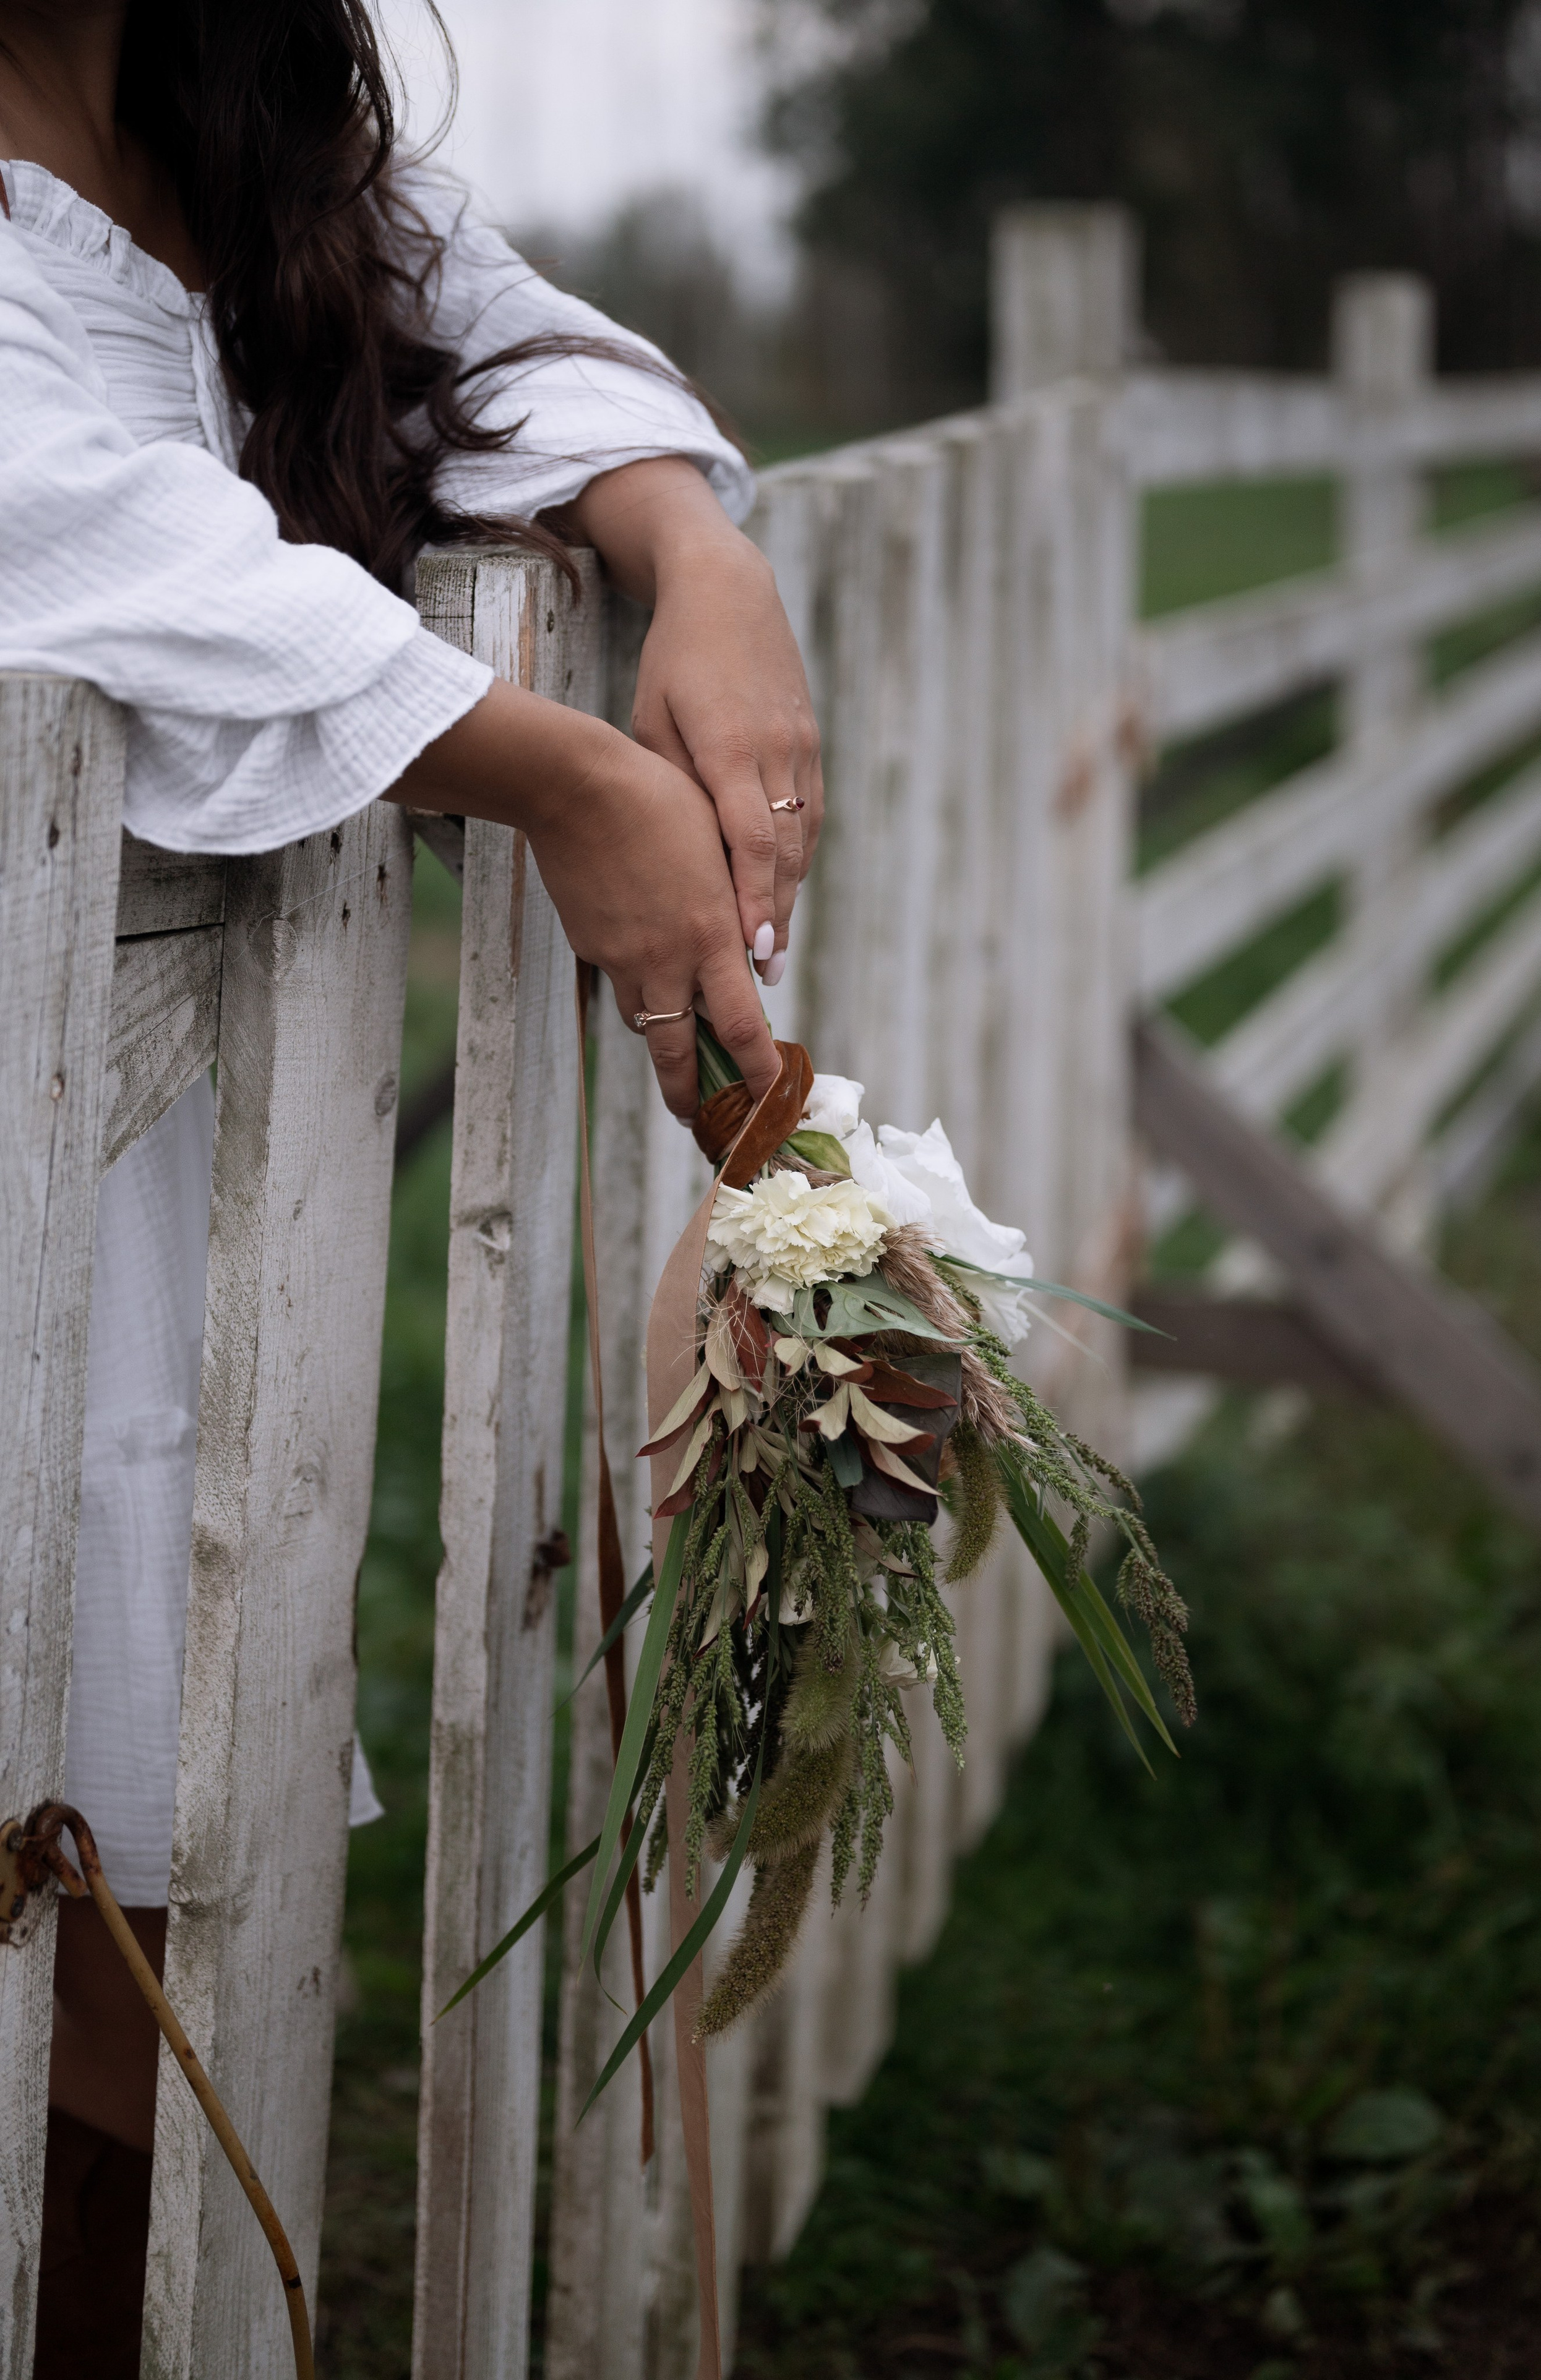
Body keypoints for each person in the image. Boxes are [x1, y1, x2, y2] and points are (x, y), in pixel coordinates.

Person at [0, 1, 823, 2367]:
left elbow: (507, 335)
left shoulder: (227, 135)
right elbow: (86, 526)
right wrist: (565, 774)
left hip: (131, 1157)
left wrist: (697, 555)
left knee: (127, 1884)